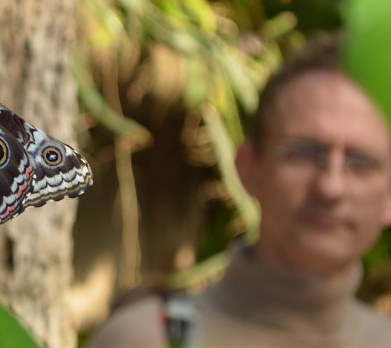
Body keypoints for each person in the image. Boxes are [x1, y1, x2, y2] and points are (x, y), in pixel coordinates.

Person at [87, 34, 391, 348]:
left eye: (360, 162)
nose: (330, 186)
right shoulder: (147, 340)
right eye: (302, 152)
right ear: (249, 169)